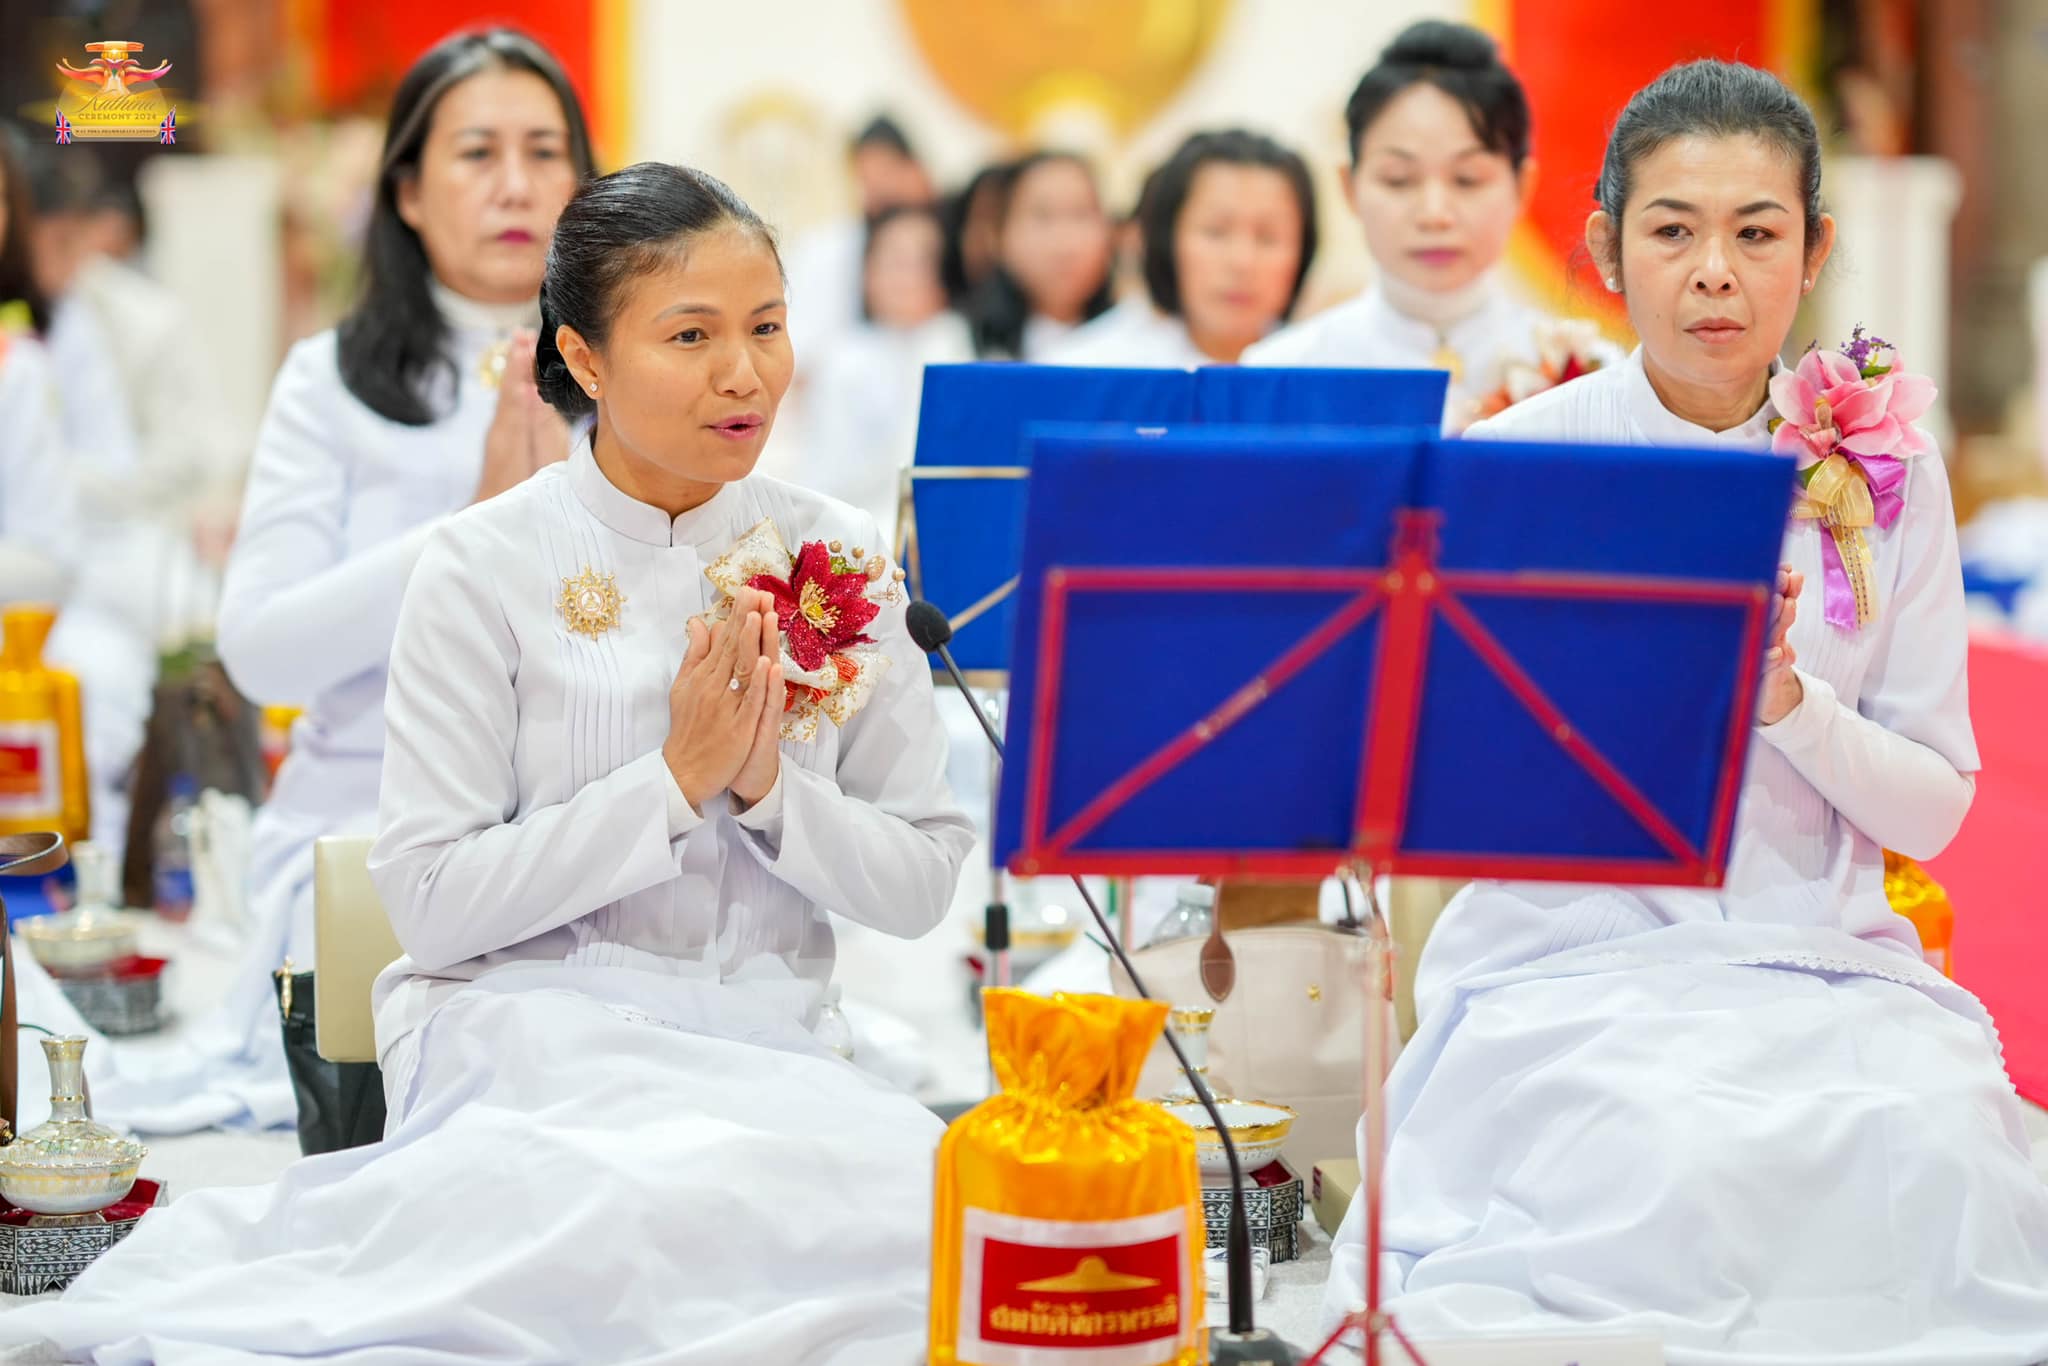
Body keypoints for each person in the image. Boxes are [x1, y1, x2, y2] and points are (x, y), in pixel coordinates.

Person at [2, 159, 974, 1366]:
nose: (745, 372)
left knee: (917, 1224)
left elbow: (923, 881)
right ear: (584, 357)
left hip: (766, 1036)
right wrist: (668, 784)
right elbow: (432, 903)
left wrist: (770, 787)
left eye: (767, 328)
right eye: (692, 334)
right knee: (612, 1221)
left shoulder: (836, 556)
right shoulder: (480, 567)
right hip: (530, 1031)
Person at [1323, 59, 2048, 1364]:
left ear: (1814, 250)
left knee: (1930, 1149)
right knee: (1662, 1152)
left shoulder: (1885, 470)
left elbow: (1935, 806)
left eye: (1757, 231)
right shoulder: (1510, 466)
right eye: (1673, 229)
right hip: (1576, 964)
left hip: (1817, 957)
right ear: (1605, 246)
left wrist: (1784, 701)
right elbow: (1438, 775)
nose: (1716, 270)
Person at [72, 28, 593, 1141]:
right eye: (475, 152)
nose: (516, 184)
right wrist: (470, 533)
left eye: (546, 151)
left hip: (587, 825)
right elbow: (260, 650)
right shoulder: (333, 380)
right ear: (404, 191)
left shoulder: (634, 370)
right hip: (373, 825)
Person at [1244, 20, 1607, 430]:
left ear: (1522, 187)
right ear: (1350, 187)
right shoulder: (1276, 374)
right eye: (1399, 179)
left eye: (1467, 179)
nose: (1435, 213)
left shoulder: (1595, 378)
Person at [783, 202, 970, 543]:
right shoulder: (845, 358)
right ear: (868, 274)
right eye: (896, 262)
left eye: (924, 262)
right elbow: (827, 477)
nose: (909, 277)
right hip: (857, 533)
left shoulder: (959, 343)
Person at [1056, 128, 1316, 367]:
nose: (1242, 261)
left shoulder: (1322, 366)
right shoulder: (1089, 370)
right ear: (1167, 239)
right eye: (1216, 232)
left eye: (1267, 237)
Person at [783, 114, 936, 369]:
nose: (878, 191)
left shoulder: (943, 233)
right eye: (867, 181)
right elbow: (801, 347)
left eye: (888, 172)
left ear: (916, 170)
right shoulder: (827, 248)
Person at [964, 151, 1115, 359]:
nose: (1064, 241)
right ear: (999, 236)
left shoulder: (1141, 342)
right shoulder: (958, 343)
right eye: (1042, 216)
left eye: (1081, 214)